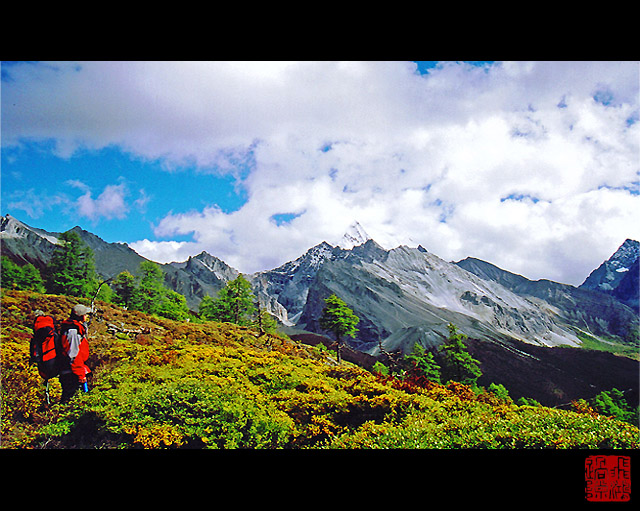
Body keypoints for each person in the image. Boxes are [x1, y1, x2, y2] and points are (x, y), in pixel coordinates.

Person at [59, 304, 92, 402]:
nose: (87, 316)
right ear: (81, 316)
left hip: (73, 370)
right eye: (85, 315)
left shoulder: (74, 328)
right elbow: (73, 354)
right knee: (70, 399)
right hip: (71, 372)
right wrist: (80, 374)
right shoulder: (73, 331)